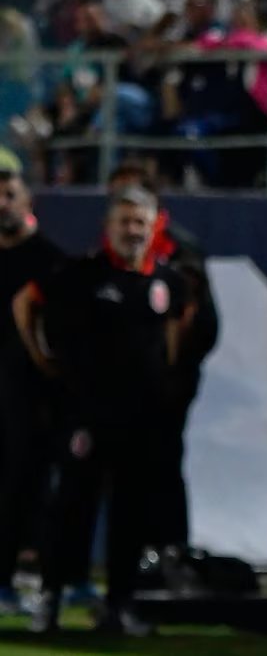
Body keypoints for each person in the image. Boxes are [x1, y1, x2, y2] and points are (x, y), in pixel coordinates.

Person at [13, 186, 193, 635]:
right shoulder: (82, 273)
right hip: (88, 416)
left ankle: (119, 606)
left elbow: (177, 327)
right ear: (108, 227)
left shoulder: (167, 281)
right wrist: (41, 356)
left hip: (142, 420)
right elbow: (25, 301)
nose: (132, 230)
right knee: (72, 508)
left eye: (140, 222)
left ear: (155, 227)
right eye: (124, 222)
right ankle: (49, 599)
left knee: (132, 515)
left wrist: (163, 380)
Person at [107, 163, 219, 556]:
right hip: (127, 379)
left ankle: (170, 548)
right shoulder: (112, 249)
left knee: (163, 457)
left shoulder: (177, 249)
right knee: (129, 464)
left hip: (166, 380)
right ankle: (137, 550)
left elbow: (194, 318)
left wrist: (170, 370)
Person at [0, 149, 64, 614]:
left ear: (28, 200)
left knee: (24, 487)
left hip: (30, 399)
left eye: (9, 193)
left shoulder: (52, 262)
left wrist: (42, 363)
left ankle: (18, 580)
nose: (2, 202)